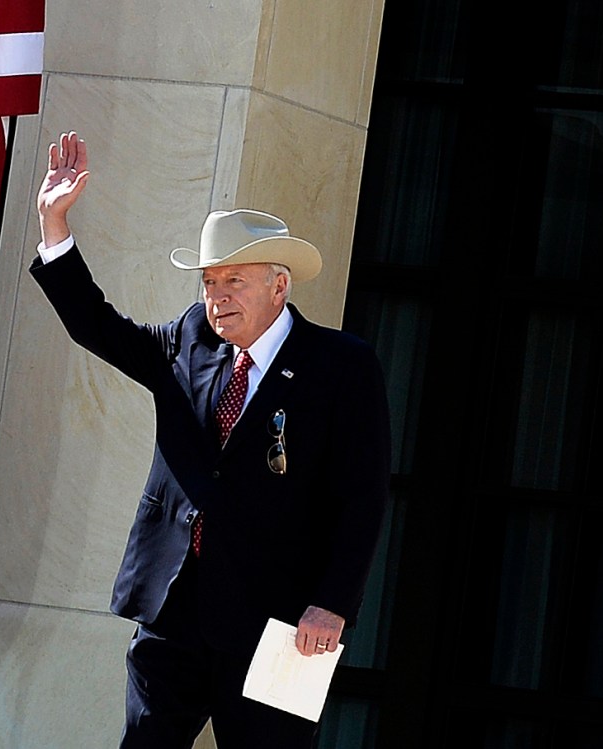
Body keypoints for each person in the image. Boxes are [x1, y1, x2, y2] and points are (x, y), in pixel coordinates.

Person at [29, 131, 391, 748]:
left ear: (280, 285)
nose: (217, 299)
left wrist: (332, 604)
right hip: (171, 610)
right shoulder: (190, 339)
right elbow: (100, 328)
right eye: (209, 282)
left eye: (234, 283)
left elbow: (361, 497)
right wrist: (55, 226)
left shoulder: (341, 365)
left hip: (280, 624)